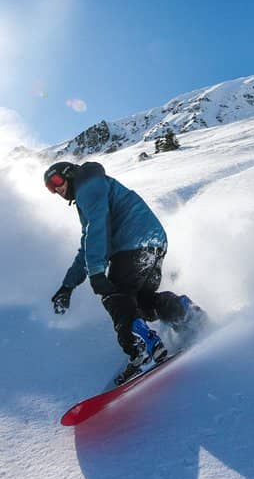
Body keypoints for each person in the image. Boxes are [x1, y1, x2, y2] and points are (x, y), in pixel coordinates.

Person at [44, 160, 206, 384]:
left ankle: (141, 350)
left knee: (116, 296)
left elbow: (97, 231)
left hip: (133, 243)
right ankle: (185, 313)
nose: (57, 189)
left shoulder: (87, 187)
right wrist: (67, 286)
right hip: (153, 243)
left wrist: (97, 272)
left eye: (56, 181)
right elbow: (88, 242)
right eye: (50, 188)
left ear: (69, 174)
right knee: (142, 303)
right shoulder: (92, 190)